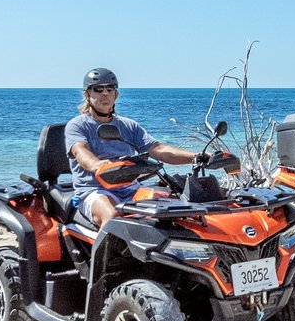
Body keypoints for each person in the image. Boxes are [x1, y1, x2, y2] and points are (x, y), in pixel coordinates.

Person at [66, 68, 225, 228]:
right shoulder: (78, 125)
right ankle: (101, 254)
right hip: (94, 190)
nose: (105, 93)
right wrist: (98, 165)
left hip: (130, 189)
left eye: (110, 88)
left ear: (116, 94)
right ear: (88, 94)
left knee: (175, 210)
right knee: (113, 217)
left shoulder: (128, 125)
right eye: (98, 89)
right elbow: (80, 151)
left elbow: (158, 150)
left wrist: (198, 156)